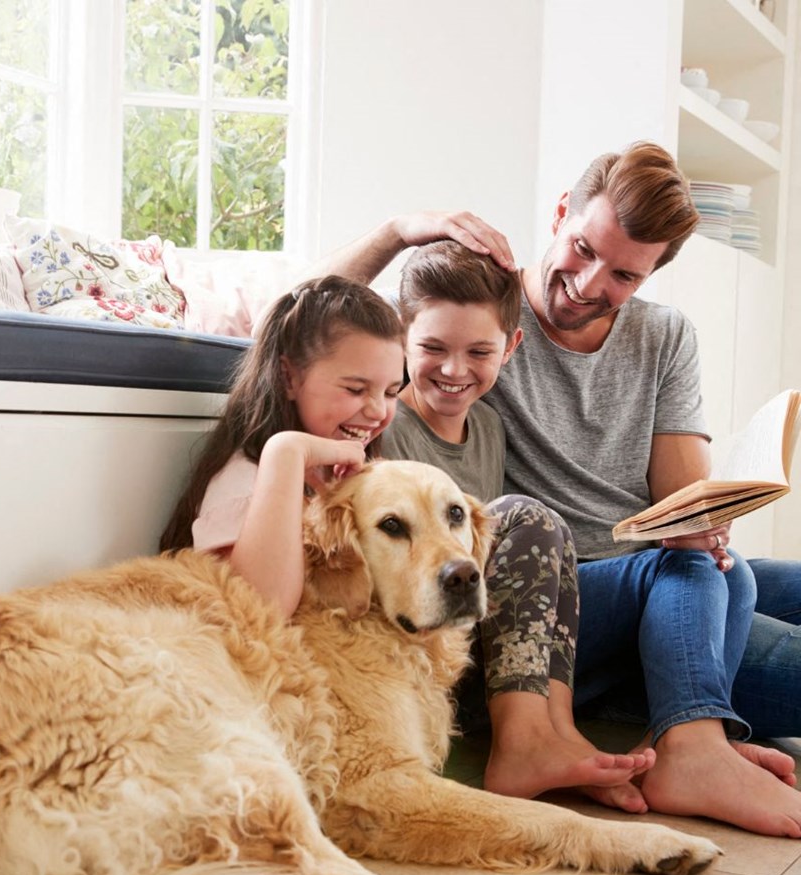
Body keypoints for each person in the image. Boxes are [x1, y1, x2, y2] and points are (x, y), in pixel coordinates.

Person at [319, 141, 801, 837]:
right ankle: (695, 744)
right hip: (564, 592)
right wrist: (398, 230)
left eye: (623, 275)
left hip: (656, 578)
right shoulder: (481, 315)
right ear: (559, 215)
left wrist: (710, 517)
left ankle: (693, 723)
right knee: (692, 574)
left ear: (649, 277)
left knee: (726, 574)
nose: (587, 282)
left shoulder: (664, 337)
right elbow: (309, 323)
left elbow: (680, 501)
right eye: (582, 248)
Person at [382, 239, 654, 805]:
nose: (455, 370)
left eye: (479, 353)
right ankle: (524, 741)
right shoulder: (387, 432)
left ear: (511, 348)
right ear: (400, 339)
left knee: (551, 532)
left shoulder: (488, 426)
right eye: (432, 347)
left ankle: (556, 735)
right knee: (523, 515)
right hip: (429, 657)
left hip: (482, 647)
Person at [159, 275, 406, 617]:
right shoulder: (247, 483)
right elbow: (262, 612)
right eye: (355, 390)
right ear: (289, 378)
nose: (378, 410)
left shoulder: (339, 473)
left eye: (392, 392)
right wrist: (287, 453)